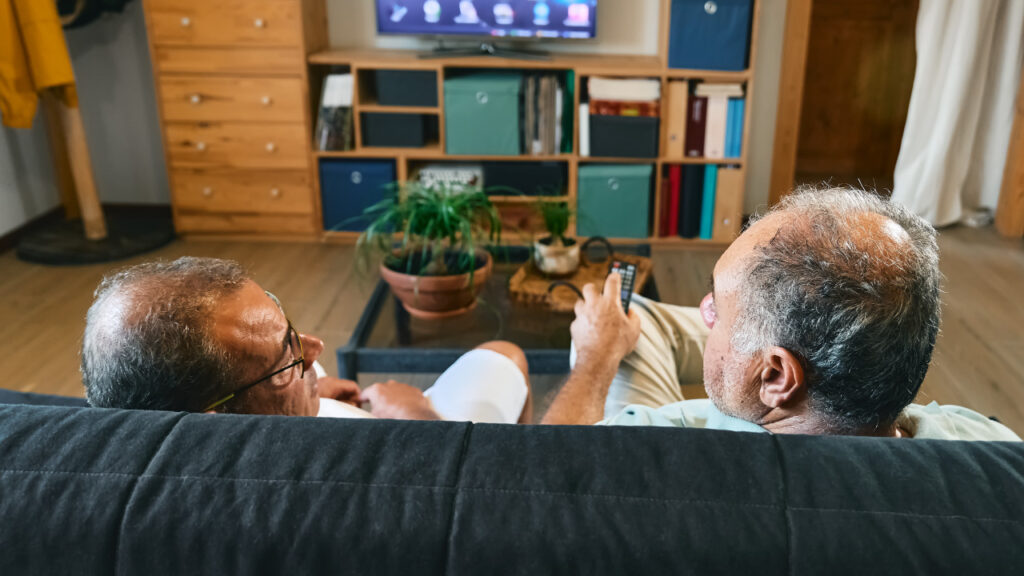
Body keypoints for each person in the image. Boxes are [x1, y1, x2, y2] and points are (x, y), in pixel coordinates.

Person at [543, 186, 1020, 441]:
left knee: (629, 323)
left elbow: (540, 468)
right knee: (641, 319)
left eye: (719, 307)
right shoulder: (992, 445)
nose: (705, 309)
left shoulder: (659, 441)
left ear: (775, 377)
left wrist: (594, 360)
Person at [81, 257, 532, 423]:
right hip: (430, 441)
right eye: (287, 359)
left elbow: (272, 384)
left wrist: (309, 393)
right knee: (506, 354)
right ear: (216, 420)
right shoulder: (319, 482)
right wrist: (416, 416)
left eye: (287, 326)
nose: (314, 349)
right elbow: (463, 491)